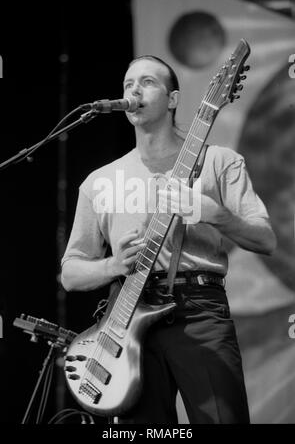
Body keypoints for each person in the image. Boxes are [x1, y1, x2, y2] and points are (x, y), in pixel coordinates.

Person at [61, 55, 276, 424]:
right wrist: (112, 265)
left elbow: (265, 239)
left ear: (173, 99)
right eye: (128, 84)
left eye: (147, 82)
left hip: (199, 310)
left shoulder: (219, 161)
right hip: (126, 316)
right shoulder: (100, 180)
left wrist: (214, 213)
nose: (133, 91)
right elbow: (70, 274)